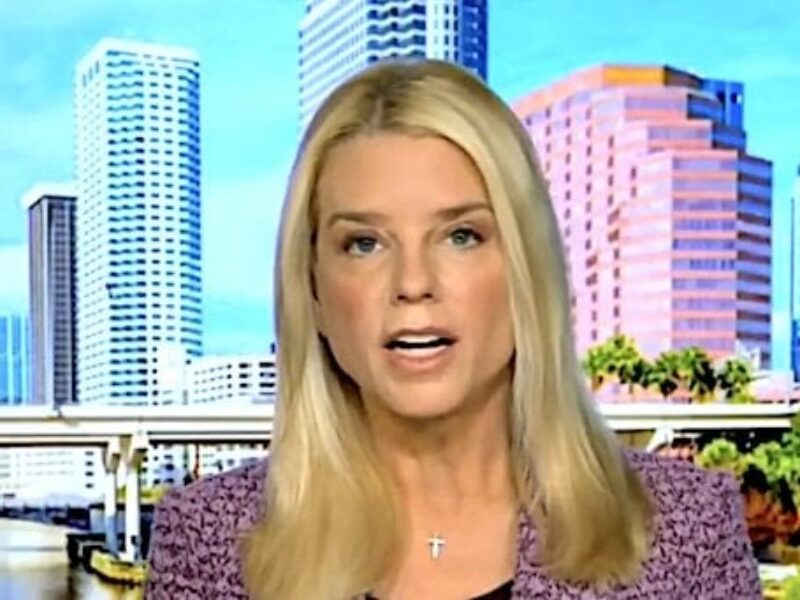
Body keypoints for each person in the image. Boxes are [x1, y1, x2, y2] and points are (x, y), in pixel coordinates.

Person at [145, 59, 761, 599]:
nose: (413, 282)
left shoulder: (686, 531)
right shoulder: (209, 545)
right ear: (314, 291)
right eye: (364, 243)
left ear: (526, 271)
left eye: (461, 235)